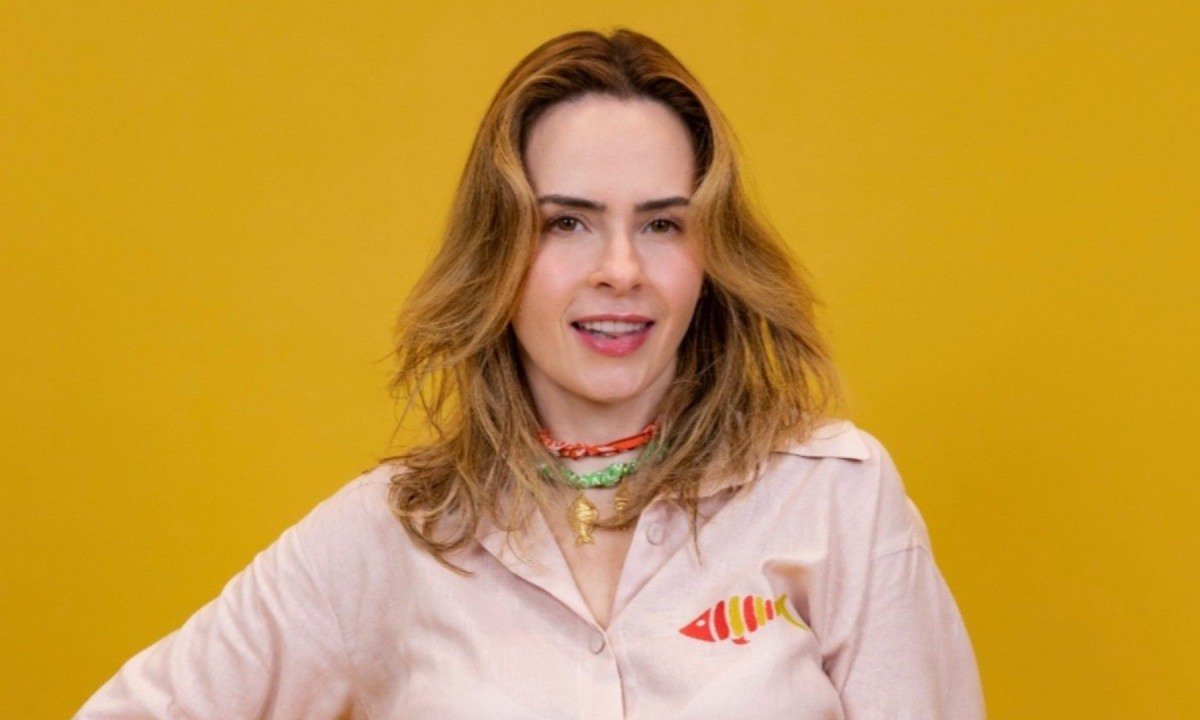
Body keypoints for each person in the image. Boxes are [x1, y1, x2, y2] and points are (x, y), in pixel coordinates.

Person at [77, 28, 985, 719]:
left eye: (662, 224)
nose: (620, 270)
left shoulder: (835, 497)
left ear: (710, 256)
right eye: (567, 223)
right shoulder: (388, 539)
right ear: (499, 250)